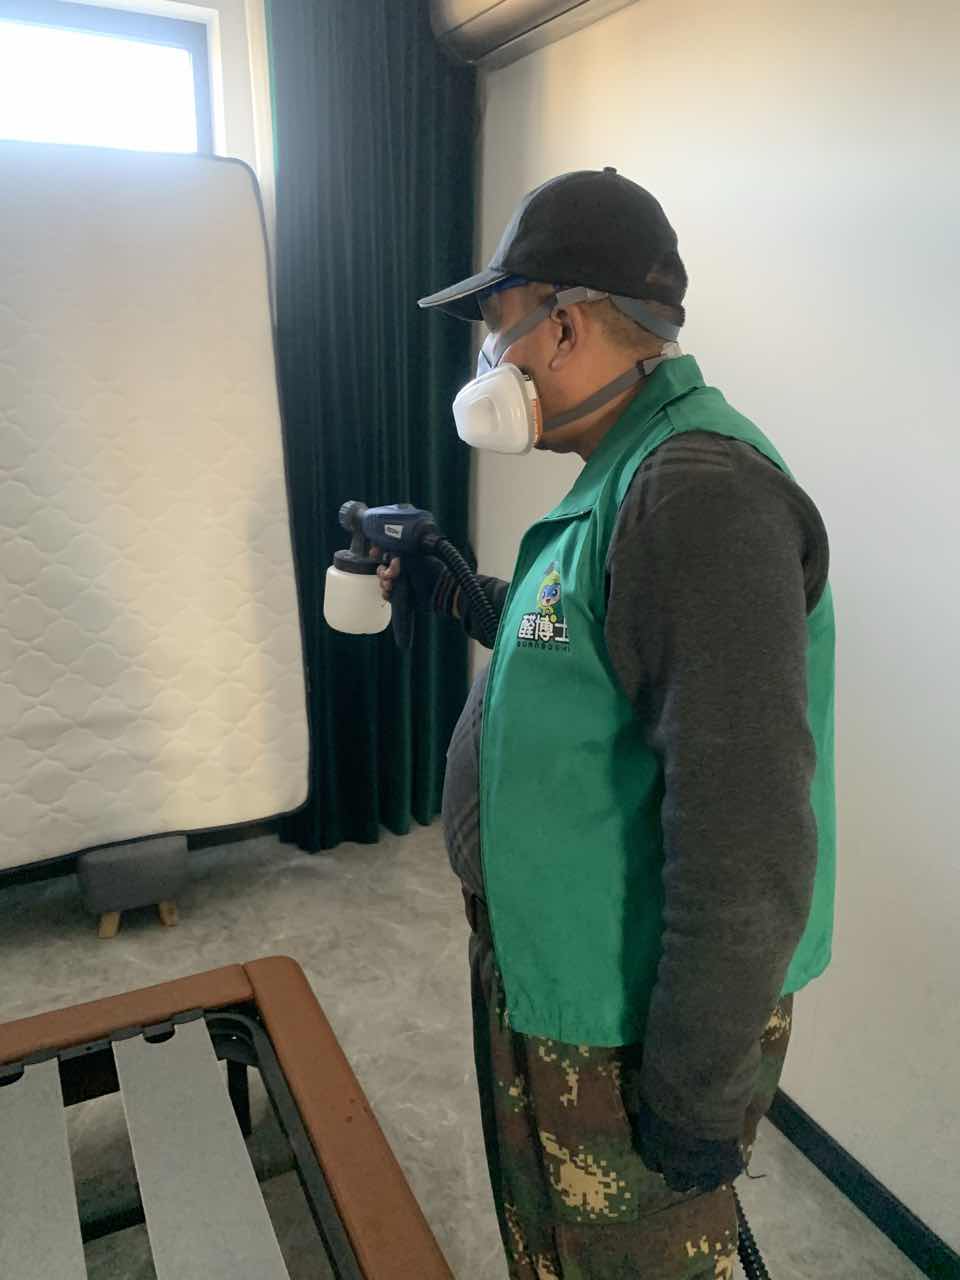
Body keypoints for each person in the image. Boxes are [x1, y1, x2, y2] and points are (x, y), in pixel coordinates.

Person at [380, 168, 836, 1279]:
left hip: (621, 1022)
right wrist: (459, 590)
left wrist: (693, 1097)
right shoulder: (628, 473)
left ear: (566, 324)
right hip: (561, 975)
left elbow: (746, 841)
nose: (493, 366)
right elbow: (586, 648)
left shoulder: (698, 495)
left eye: (499, 333)